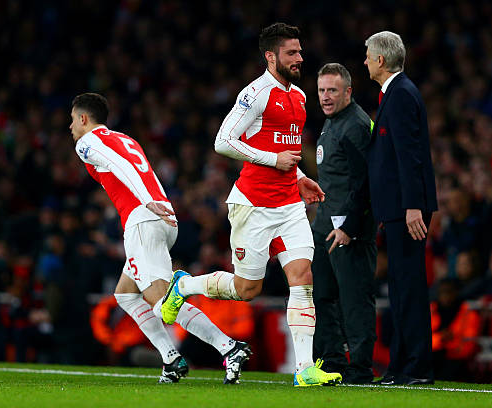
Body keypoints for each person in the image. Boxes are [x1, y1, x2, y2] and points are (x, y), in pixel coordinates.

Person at [160, 23, 342, 387]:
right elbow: (223, 140)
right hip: (253, 206)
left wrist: (299, 176)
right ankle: (184, 286)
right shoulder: (255, 94)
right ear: (271, 56)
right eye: (291, 53)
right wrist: (272, 160)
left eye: (300, 51)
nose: (299, 58)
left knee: (302, 278)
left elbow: (285, 149)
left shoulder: (299, 97)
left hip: (289, 204)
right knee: (247, 290)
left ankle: (304, 369)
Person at [69, 93, 250, 384]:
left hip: (144, 220)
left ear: (83, 118)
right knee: (126, 295)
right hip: (162, 218)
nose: (70, 127)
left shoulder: (87, 142)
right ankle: (170, 358)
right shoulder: (123, 138)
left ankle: (228, 347)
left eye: (72, 120)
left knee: (163, 301)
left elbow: (121, 166)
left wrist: (146, 201)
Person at [364, 31, 438, 385]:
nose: (365, 61)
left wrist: (412, 207)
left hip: (408, 211)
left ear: (380, 60)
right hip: (397, 210)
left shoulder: (402, 94)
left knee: (409, 287)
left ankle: (416, 368)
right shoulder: (395, 93)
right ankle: (400, 366)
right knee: (399, 287)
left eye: (368, 55)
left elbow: (410, 157)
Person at [311, 63, 377, 384]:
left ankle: (360, 369)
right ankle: (331, 363)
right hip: (325, 227)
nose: (325, 96)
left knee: (354, 301)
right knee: (322, 296)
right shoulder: (332, 122)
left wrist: (350, 227)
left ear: (348, 91)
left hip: (348, 232)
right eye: (322, 90)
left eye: (332, 91)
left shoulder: (356, 126)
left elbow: (366, 183)